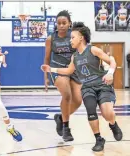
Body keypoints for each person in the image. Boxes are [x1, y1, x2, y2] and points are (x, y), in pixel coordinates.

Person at [41, 22, 123, 152]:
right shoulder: (75, 57)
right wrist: (51, 69)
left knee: (107, 114)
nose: (70, 40)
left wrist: (110, 73)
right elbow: (68, 71)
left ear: (81, 38)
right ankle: (98, 139)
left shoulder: (93, 50)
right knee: (91, 112)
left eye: (72, 37)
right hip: (87, 88)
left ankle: (113, 125)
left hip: (102, 85)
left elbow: (112, 60)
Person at [44, 10, 82, 142]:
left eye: (64, 23)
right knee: (67, 95)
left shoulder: (75, 36)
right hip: (57, 69)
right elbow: (47, 58)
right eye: (59, 23)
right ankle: (66, 128)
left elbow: (81, 52)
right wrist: (46, 77)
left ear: (69, 23)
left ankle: (60, 118)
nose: (61, 25)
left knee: (77, 101)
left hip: (73, 70)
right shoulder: (51, 38)